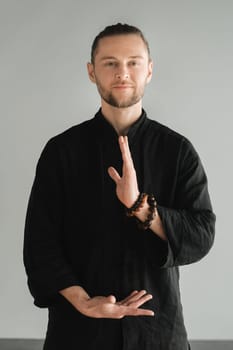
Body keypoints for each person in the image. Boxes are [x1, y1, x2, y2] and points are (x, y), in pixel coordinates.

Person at [23, 23, 216, 350]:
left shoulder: (177, 150)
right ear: (91, 71)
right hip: (77, 334)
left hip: (159, 334)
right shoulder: (62, 151)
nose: (122, 72)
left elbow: (201, 235)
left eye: (133, 62)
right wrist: (84, 302)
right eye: (110, 63)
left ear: (149, 70)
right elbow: (40, 245)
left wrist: (142, 207)